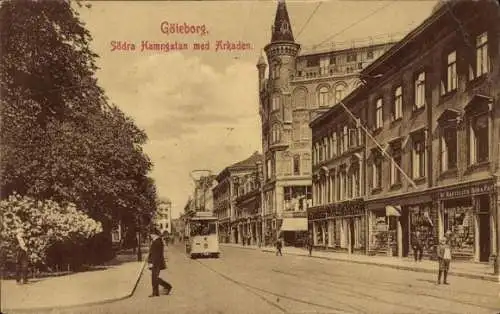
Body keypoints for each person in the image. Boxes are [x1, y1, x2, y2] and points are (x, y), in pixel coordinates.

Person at [147, 228, 172, 297]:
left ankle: (166, 287)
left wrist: (152, 263)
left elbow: (156, 254)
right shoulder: (157, 241)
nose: (150, 236)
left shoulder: (157, 242)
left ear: (154, 234)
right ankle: (157, 292)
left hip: (156, 262)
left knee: (154, 278)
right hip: (156, 262)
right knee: (154, 278)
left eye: (151, 235)